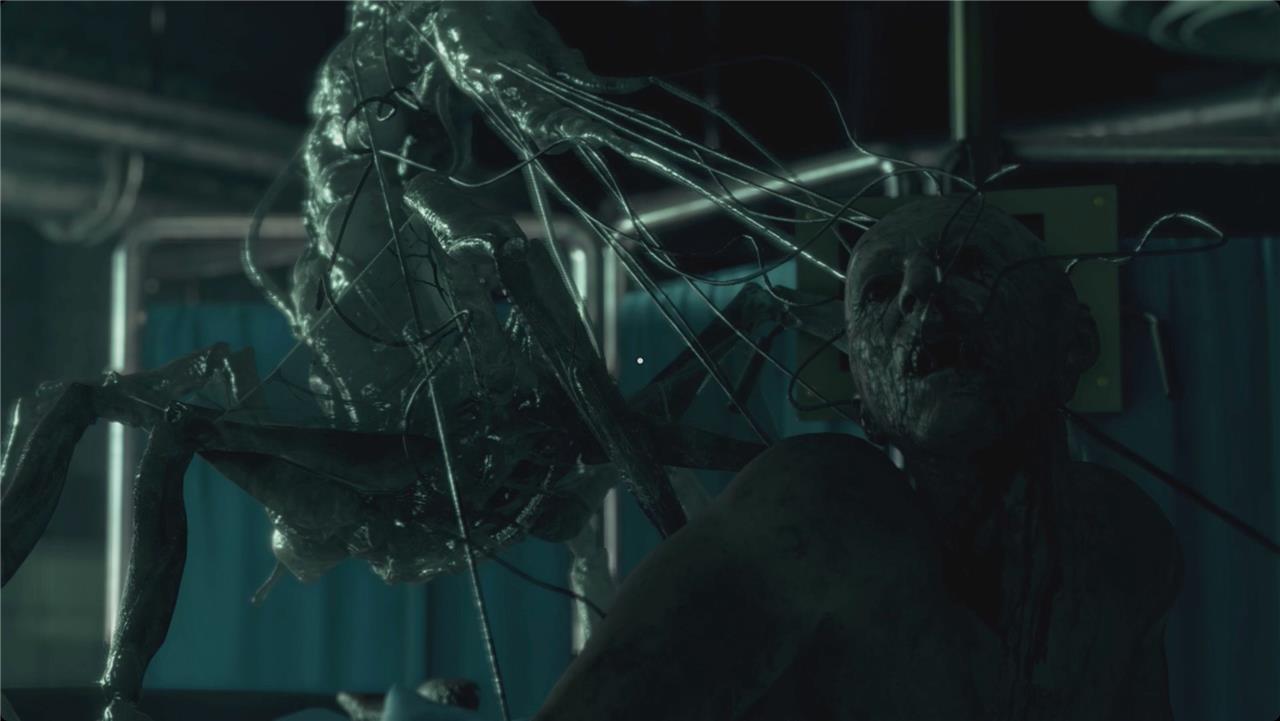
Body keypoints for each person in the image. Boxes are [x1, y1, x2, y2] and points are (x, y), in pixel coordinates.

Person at [533, 197, 1183, 721]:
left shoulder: (1121, 544)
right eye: (879, 290)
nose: (918, 291)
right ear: (865, 401)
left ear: (1074, 340)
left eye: (969, 263)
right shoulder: (828, 515)